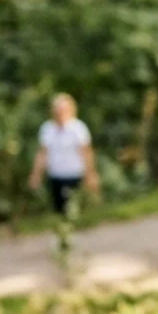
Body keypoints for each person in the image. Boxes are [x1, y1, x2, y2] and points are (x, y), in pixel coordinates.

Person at [28, 93, 100, 254]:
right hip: (55, 175)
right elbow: (42, 153)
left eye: (63, 109)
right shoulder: (47, 129)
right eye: (57, 110)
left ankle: (70, 237)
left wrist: (91, 174)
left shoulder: (78, 128)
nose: (59, 113)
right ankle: (63, 238)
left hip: (74, 174)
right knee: (58, 209)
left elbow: (86, 153)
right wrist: (36, 174)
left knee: (70, 207)